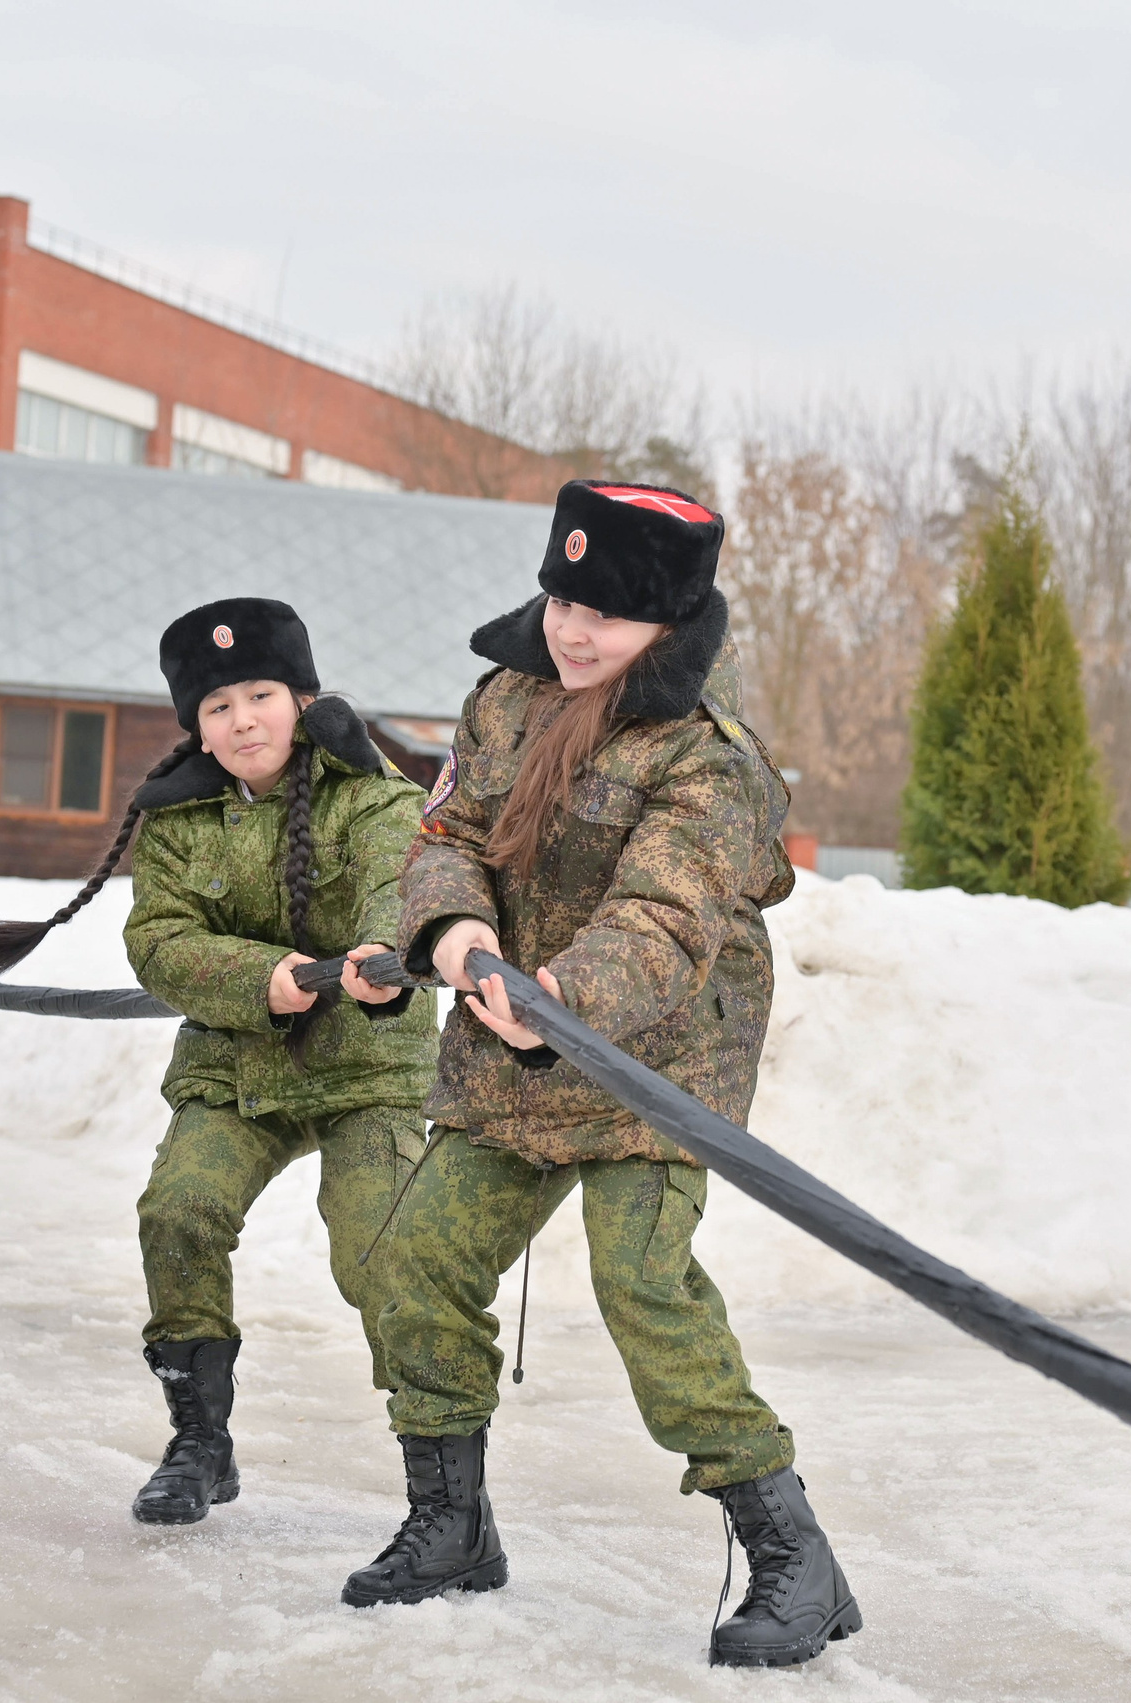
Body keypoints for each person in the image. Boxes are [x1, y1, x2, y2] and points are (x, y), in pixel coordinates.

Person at [344, 481, 863, 1668]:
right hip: (512, 1015)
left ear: (669, 627)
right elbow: (448, 839)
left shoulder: (706, 759)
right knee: (413, 1257)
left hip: (656, 1047)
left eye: (608, 615)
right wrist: (458, 937)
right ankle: (451, 1522)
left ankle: (791, 1549)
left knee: (643, 1284)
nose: (574, 630)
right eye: (564, 597)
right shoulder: (508, 699)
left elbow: (663, 919)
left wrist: (565, 1001)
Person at [0, 598, 436, 1527]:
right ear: (195, 726)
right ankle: (200, 1439)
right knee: (179, 1212)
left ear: (303, 696)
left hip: (371, 1063)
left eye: (260, 693)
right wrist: (264, 977)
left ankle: (446, 1495)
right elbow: (158, 938)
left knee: (385, 1252)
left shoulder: (375, 795)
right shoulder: (179, 818)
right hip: (238, 1063)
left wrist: (376, 959)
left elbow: (399, 884)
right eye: (217, 707)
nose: (243, 719)